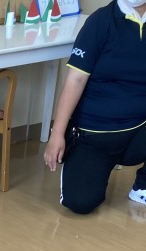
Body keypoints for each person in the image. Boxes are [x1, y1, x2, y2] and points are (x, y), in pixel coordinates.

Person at [44, 0, 146, 214]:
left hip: (139, 128)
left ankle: (142, 186)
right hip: (95, 133)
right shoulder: (100, 21)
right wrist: (57, 133)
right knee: (79, 203)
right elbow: (75, 80)